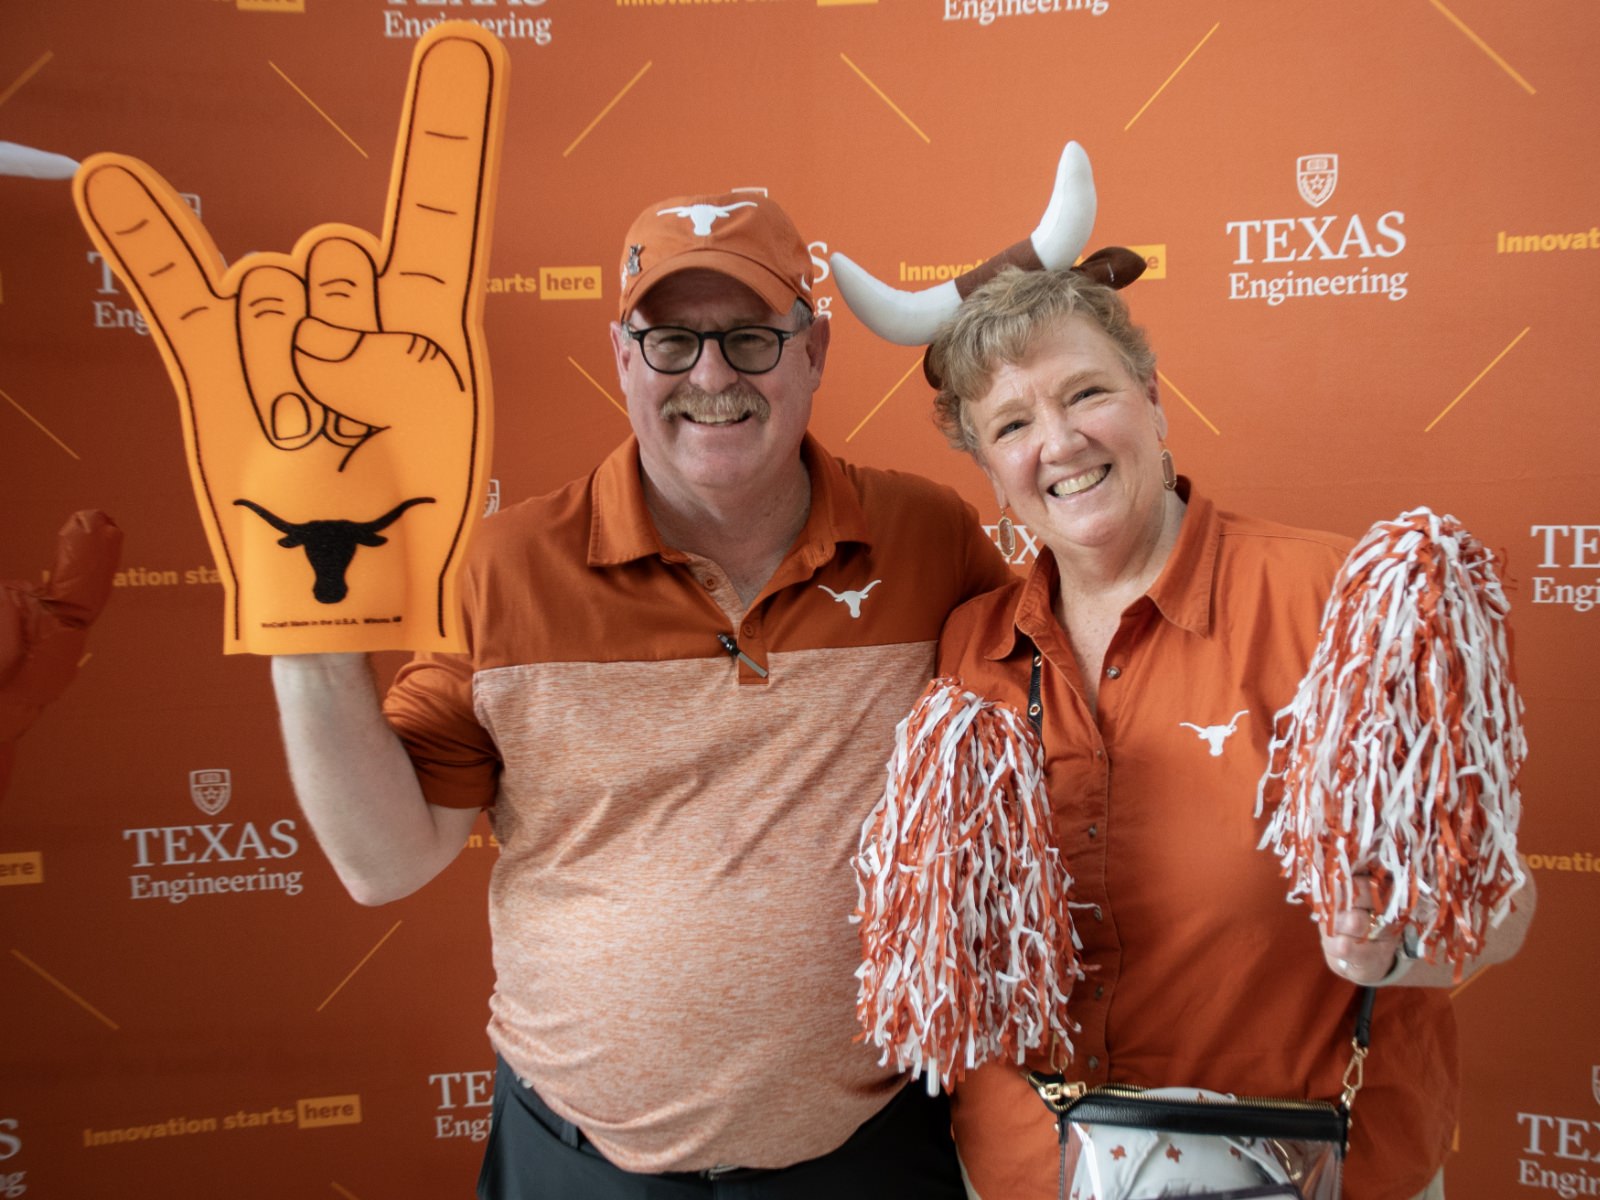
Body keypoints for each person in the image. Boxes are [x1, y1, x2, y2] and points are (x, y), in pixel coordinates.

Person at [271, 192, 1014, 1198]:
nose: (711, 376)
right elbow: (384, 862)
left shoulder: (929, 536)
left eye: (751, 337)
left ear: (815, 351)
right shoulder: (504, 565)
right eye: (670, 340)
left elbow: (1069, 690)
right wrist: (306, 642)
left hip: (871, 1149)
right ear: (622, 354)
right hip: (579, 1161)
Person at [916, 265, 1535, 1200]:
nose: (1060, 441)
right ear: (988, 469)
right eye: (1012, 424)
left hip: (1310, 1168)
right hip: (1026, 1173)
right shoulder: (970, 648)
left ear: (1155, 400)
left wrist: (1396, 947)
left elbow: (1499, 900)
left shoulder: (1339, 603)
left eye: (1088, 393)